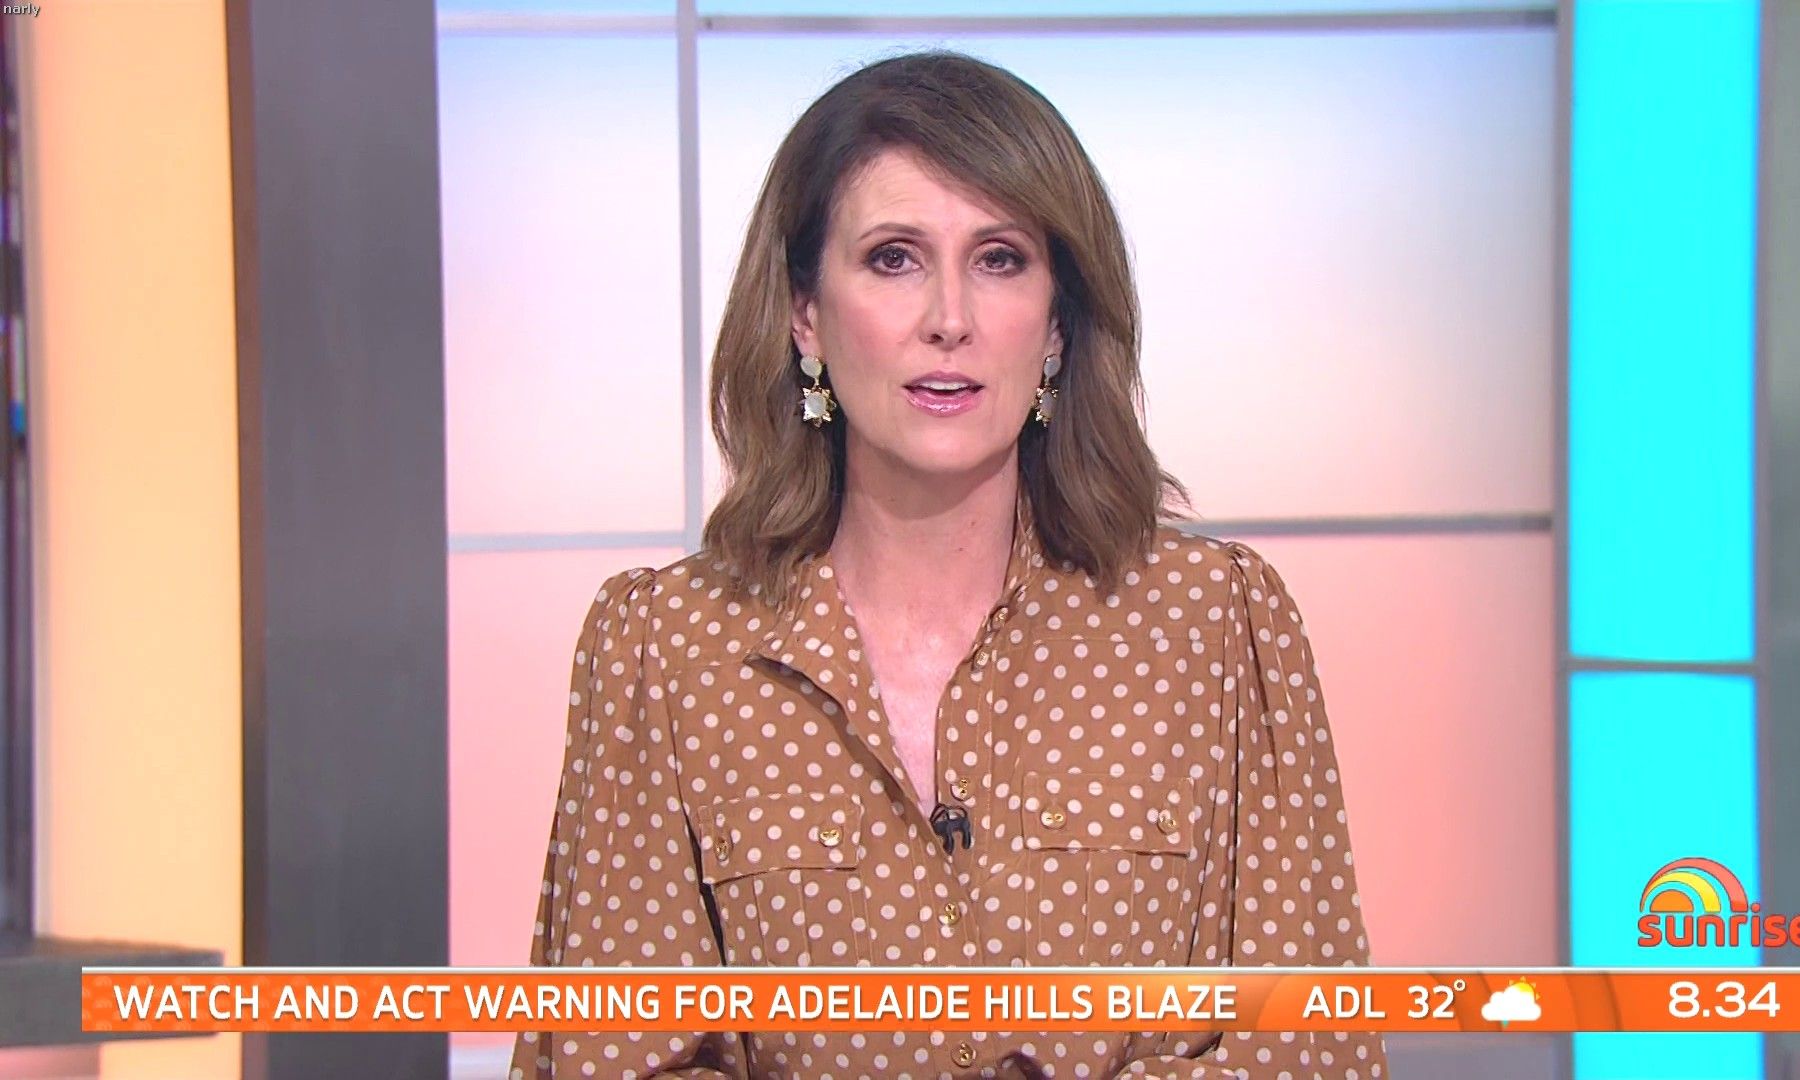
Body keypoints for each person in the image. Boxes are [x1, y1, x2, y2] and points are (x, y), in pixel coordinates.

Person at [511, 49, 1386, 1080]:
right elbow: (613, 1054)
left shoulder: (1215, 624)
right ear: (804, 314)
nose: (950, 319)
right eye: (893, 258)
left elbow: (1309, 1048)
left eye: (999, 259)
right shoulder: (668, 649)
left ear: (1057, 325)